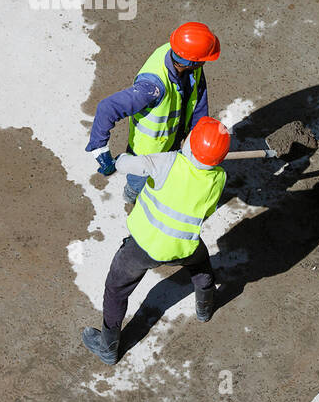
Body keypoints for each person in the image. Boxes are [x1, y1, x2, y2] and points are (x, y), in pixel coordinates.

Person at [81, 118, 230, 365]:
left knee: (116, 290)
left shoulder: (169, 161)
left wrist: (116, 160)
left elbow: (128, 164)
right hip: (183, 246)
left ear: (190, 144)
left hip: (142, 246)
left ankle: (108, 347)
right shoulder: (219, 178)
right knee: (201, 264)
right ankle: (205, 308)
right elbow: (208, 211)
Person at [87, 22, 220, 207]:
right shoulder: (152, 88)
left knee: (166, 181)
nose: (205, 62)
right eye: (203, 59)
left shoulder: (184, 58)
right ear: (192, 61)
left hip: (172, 142)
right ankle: (131, 198)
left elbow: (198, 99)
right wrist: (99, 149)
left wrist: (196, 138)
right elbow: (107, 108)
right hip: (146, 155)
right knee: (138, 184)